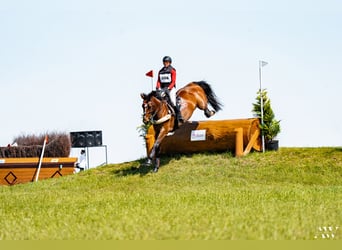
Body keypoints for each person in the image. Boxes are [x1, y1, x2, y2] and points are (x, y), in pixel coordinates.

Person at [156, 56, 183, 123]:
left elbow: (173, 81)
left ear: (169, 63)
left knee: (173, 101)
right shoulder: (160, 71)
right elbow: (158, 81)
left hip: (170, 88)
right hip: (162, 88)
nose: (165, 63)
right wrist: (157, 87)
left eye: (167, 62)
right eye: (164, 62)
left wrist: (168, 88)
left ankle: (179, 116)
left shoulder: (172, 70)